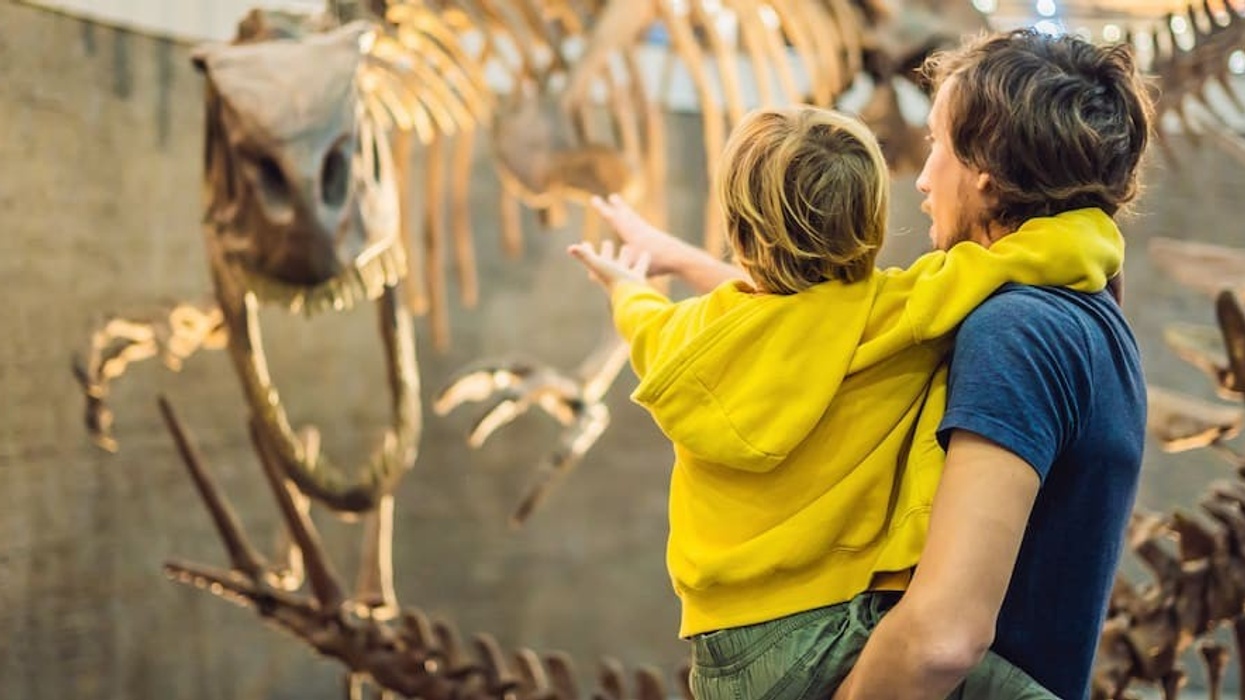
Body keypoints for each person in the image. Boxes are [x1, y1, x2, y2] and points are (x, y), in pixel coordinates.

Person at [584, 28, 1153, 700]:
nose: (921, 176)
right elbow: (818, 327)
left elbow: (941, 641)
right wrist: (1094, 235)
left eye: (936, 143)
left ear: (985, 171)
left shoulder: (1017, 331)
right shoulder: (1071, 315)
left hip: (730, 649)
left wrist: (639, 286)